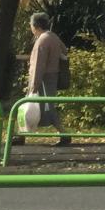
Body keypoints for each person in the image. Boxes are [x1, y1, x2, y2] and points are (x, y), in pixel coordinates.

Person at [16, 12, 70, 147]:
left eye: (31, 25)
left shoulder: (42, 41)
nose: (30, 28)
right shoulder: (53, 36)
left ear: (36, 26)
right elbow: (64, 51)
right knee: (44, 107)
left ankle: (64, 134)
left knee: (39, 107)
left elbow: (39, 64)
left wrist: (33, 85)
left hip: (42, 79)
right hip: (52, 76)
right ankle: (20, 135)